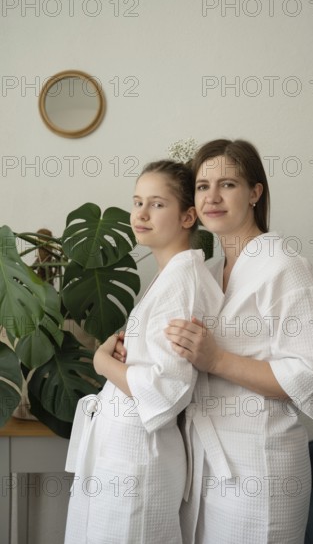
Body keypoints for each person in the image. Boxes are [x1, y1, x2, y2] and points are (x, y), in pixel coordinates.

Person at [163, 139, 313, 544]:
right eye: (203, 186)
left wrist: (217, 359)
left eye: (228, 184)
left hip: (262, 467)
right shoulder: (208, 270)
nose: (212, 197)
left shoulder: (286, 267)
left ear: (255, 192)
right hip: (205, 466)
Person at [64, 160, 224, 544]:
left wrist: (102, 363)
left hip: (138, 455)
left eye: (156, 204)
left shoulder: (183, 283)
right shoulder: (169, 278)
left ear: (188, 216)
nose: (141, 214)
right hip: (123, 450)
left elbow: (166, 390)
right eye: (137, 202)